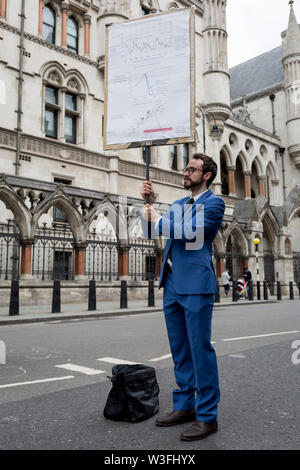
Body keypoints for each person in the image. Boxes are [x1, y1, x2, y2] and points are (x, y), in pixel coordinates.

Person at [140, 153, 225, 442]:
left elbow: (192, 233)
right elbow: (150, 230)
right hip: (172, 283)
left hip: (197, 284)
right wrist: (148, 205)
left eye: (192, 169)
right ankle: (185, 406)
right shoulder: (177, 204)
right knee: (179, 349)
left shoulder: (214, 203)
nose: (186, 172)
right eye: (186, 168)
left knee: (200, 349)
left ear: (207, 175)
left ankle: (207, 416)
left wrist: (159, 219)